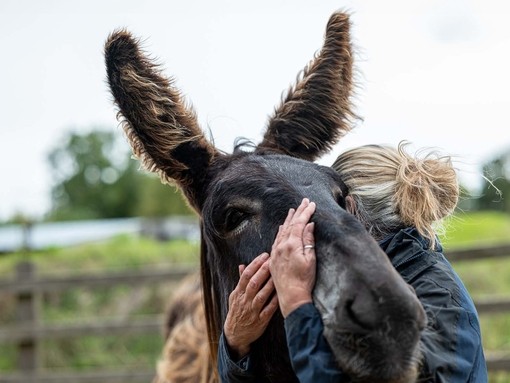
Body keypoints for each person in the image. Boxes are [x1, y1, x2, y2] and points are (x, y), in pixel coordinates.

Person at [218, 142, 488, 382]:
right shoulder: (359, 283)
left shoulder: (438, 297)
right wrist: (235, 346)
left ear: (349, 209)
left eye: (327, 205)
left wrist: (297, 304)